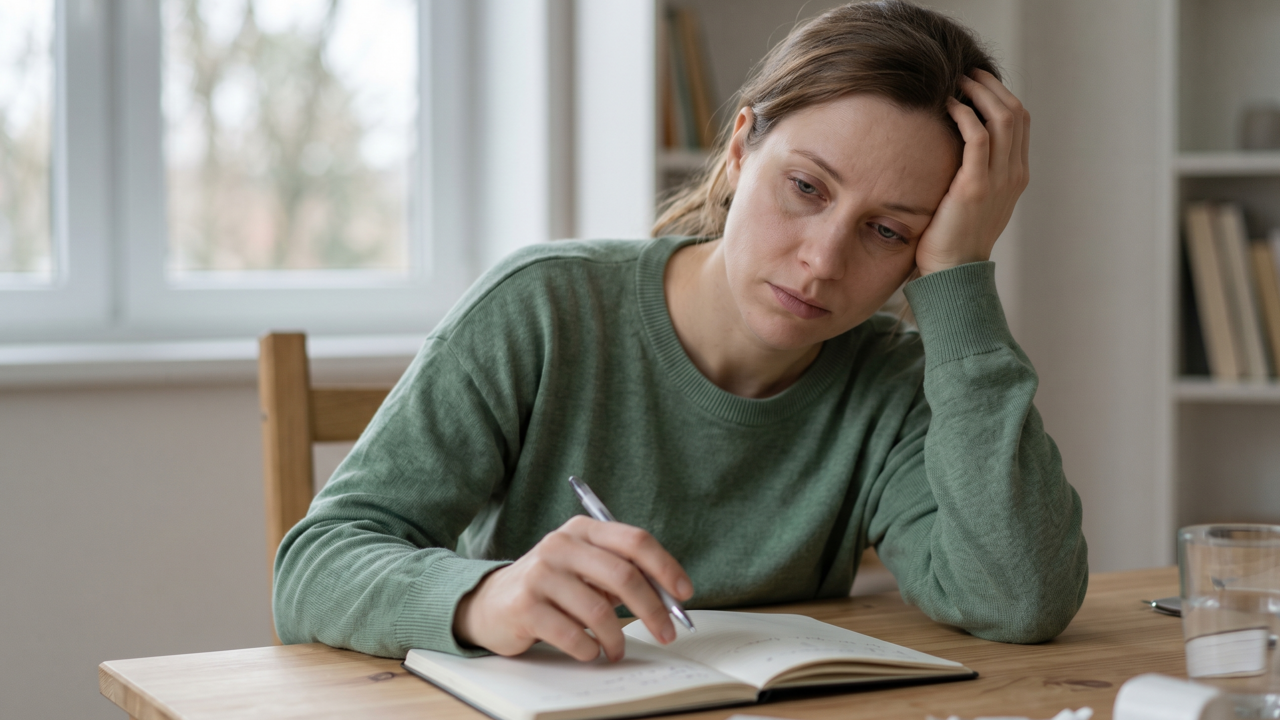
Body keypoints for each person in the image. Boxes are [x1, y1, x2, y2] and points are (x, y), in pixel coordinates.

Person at [273, 0, 1088, 663]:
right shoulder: (544, 308)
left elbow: (1017, 599)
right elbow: (314, 568)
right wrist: (483, 598)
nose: (821, 261)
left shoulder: (895, 380)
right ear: (740, 150)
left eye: (889, 232)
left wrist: (963, 286)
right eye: (806, 187)